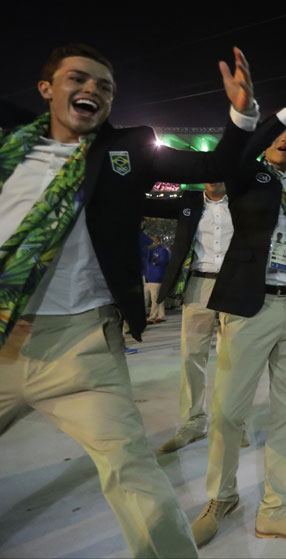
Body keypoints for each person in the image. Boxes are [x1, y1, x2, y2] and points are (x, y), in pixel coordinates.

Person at [0, 43, 257, 558]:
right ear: (47, 89)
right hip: (6, 339)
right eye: (79, 78)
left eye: (105, 85)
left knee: (135, 476)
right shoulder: (10, 152)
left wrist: (243, 113)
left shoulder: (129, 149)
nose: (92, 89)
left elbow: (220, 161)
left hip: (83, 347)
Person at [191, 69, 286, 547]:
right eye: (280, 134)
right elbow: (237, 149)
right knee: (229, 412)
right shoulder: (245, 173)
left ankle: (277, 508)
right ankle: (222, 497)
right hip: (250, 307)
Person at [142, 182, 250, 453]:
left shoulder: (243, 200)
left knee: (236, 359)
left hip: (235, 283)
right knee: (192, 356)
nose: (213, 177)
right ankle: (194, 421)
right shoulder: (188, 201)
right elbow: (144, 202)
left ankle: (234, 422)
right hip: (198, 284)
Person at [144, 235, 170, 323]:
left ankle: (152, 316)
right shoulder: (149, 251)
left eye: (154, 241)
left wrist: (156, 260)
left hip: (156, 276)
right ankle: (161, 315)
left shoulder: (162, 251)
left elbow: (163, 261)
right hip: (148, 276)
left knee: (154, 298)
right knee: (154, 297)